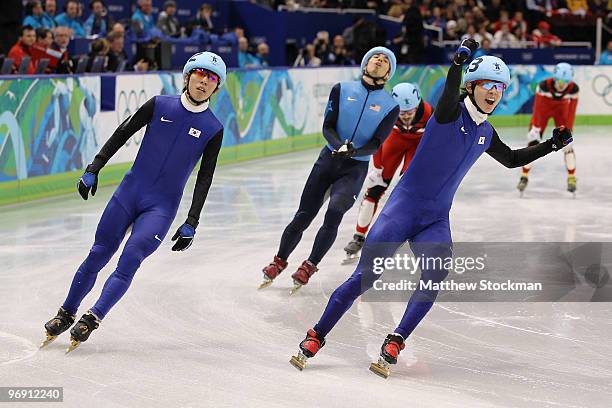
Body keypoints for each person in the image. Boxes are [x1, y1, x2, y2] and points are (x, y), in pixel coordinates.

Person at [289, 39, 573, 377]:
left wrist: (552, 145)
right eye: (486, 85)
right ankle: (316, 335)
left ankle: (396, 340)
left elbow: (512, 159)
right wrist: (458, 62)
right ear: (471, 87)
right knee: (366, 277)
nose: (494, 92)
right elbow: (451, 90)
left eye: (499, 87)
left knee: (435, 274)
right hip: (402, 209)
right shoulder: (450, 112)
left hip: (435, 219)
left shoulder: (486, 132)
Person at [40, 52, 227, 352]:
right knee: (98, 254)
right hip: (129, 193)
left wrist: (192, 220)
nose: (204, 82)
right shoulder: (159, 104)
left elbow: (205, 176)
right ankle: (66, 312)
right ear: (188, 76)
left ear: (216, 87)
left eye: (212, 78)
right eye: (200, 74)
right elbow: (122, 132)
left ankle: (93, 317)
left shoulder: (213, 128)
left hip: (161, 207)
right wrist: (94, 168)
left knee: (130, 259)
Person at [258, 46, 400, 293]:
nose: (379, 60)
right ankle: (279, 260)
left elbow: (377, 142)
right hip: (328, 159)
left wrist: (353, 152)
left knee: (334, 212)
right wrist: (339, 146)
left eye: (385, 60)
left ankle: (310, 265)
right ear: (365, 64)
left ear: (389, 73)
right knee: (303, 215)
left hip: (355, 167)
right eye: (375, 57)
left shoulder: (390, 106)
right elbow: (328, 127)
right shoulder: (342, 89)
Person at [343, 82, 433, 263]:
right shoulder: (385, 112)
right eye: (402, 113)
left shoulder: (431, 114)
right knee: (375, 190)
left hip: (417, 146)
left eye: (410, 112)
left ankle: (410, 235)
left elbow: (436, 142)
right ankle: (359, 236)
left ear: (418, 105)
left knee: (410, 191)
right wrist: (376, 168)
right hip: (392, 144)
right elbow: (376, 140)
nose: (406, 117)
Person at [517, 62, 579, 195]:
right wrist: (536, 128)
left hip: (561, 112)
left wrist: (568, 130)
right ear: (554, 78)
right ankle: (524, 175)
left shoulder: (574, 89)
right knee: (533, 144)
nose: (562, 85)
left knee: (568, 146)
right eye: (559, 81)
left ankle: (571, 177)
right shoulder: (543, 86)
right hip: (543, 111)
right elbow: (538, 109)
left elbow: (572, 111)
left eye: (566, 82)